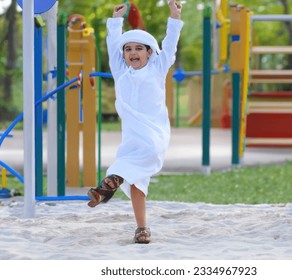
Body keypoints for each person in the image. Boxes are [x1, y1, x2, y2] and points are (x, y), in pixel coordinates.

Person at [87, 0, 183, 244]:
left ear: (150, 52)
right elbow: (112, 46)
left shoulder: (158, 68)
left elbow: (170, 46)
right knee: (138, 182)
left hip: (154, 131)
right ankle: (142, 227)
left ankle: (113, 180)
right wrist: (116, 21)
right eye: (128, 49)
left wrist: (174, 17)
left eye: (138, 48)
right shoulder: (121, 72)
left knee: (149, 153)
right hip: (132, 134)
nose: (132, 53)